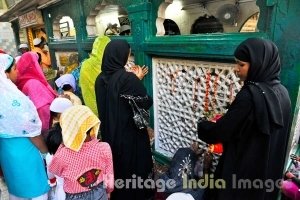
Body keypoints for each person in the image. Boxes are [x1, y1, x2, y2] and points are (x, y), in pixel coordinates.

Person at [197, 38, 291, 200]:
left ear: (258, 64)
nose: (236, 69)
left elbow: (222, 132)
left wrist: (204, 126)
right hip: (267, 171)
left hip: (243, 169)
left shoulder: (249, 96)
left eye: (241, 65)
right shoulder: (283, 92)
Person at [95, 39, 154, 200]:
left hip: (109, 134)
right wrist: (138, 79)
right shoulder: (127, 79)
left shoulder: (100, 79)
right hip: (129, 135)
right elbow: (146, 101)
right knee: (135, 166)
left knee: (117, 165)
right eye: (127, 56)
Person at [0, 53, 50, 199]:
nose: (18, 72)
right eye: (14, 69)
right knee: (36, 192)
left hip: (6, 153)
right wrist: (45, 152)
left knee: (16, 191)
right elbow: (32, 131)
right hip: (26, 152)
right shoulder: (16, 99)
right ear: (5, 73)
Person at [48, 105, 114, 200]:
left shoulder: (63, 154)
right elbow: (109, 177)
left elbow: (55, 170)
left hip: (74, 196)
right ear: (91, 125)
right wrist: (108, 191)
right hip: (99, 192)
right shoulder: (104, 147)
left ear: (67, 130)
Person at [16, 52, 57, 134]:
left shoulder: (25, 81)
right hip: (43, 128)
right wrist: (46, 132)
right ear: (36, 65)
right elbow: (43, 109)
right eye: (40, 64)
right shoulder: (33, 84)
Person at [79, 35, 110, 116]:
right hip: (107, 110)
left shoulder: (85, 64)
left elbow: (81, 84)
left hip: (90, 109)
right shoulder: (107, 66)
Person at [45, 124, 66, 200]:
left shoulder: (49, 157)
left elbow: (51, 176)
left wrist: (53, 183)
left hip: (60, 192)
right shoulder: (70, 157)